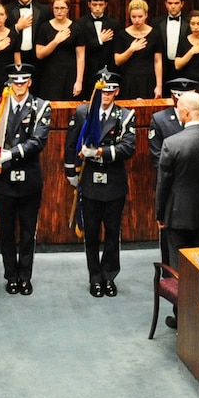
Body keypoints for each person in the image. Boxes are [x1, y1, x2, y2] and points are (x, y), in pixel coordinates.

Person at [63, 76, 134, 296]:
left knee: (113, 233)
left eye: (110, 91)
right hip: (90, 180)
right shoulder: (85, 112)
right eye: (103, 91)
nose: (106, 95)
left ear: (116, 92)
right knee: (91, 233)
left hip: (113, 181)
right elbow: (71, 143)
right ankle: (95, 276)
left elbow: (128, 147)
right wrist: (71, 173)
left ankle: (109, 276)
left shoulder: (124, 115)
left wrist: (101, 152)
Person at [0, 65, 52, 295]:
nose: (19, 86)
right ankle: (10, 275)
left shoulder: (41, 107)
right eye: (16, 82)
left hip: (29, 178)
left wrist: (11, 153)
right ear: (10, 83)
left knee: (27, 230)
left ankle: (25, 276)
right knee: (5, 231)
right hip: (3, 179)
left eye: (23, 82)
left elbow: (38, 141)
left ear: (30, 83)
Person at [154, 88, 199, 273]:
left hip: (177, 215)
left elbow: (164, 182)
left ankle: (180, 302)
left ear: (185, 112)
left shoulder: (172, 143)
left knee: (178, 268)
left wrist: (160, 214)